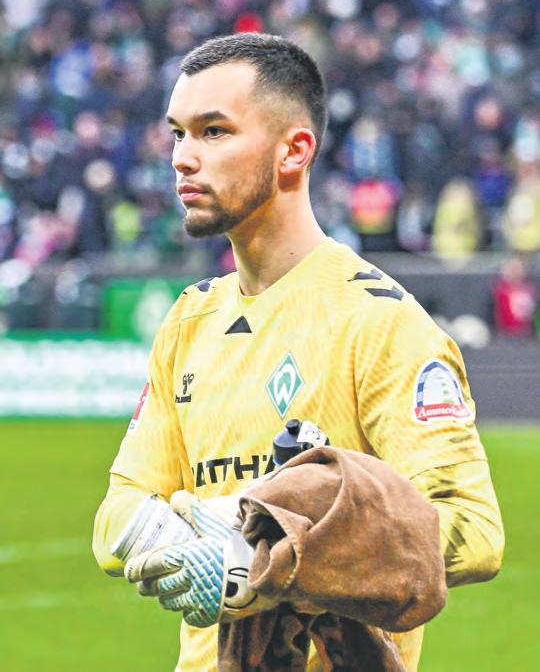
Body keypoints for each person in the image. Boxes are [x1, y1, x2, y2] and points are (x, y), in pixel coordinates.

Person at [93, 33, 504, 672]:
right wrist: (179, 538)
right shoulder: (189, 320)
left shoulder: (380, 322)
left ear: (294, 150)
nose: (182, 158)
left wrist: (272, 552)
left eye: (213, 132)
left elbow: (473, 531)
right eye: (178, 134)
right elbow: (117, 510)